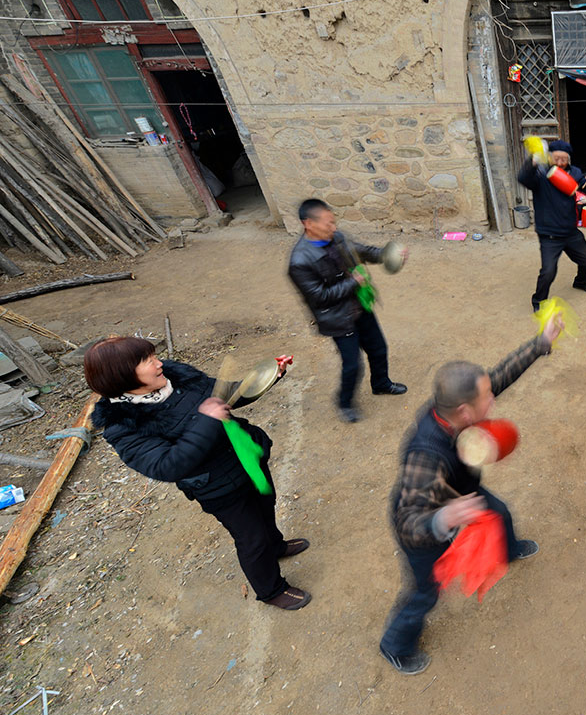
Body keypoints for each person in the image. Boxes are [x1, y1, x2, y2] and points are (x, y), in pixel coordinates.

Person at [380, 314, 565, 675]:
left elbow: (500, 375)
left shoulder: (456, 409)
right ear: (465, 411)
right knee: (425, 592)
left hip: (461, 490)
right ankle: (394, 644)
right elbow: (407, 523)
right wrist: (444, 518)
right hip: (428, 521)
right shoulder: (426, 456)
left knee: (498, 513)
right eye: (487, 398)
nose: (493, 400)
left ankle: (508, 550)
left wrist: (540, 343)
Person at [86, 337, 311, 610]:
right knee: (251, 539)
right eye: (148, 361)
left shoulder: (176, 376)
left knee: (266, 506)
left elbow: (226, 394)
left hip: (245, 458)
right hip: (217, 487)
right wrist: (208, 420)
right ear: (122, 375)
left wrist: (271, 376)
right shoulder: (122, 426)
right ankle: (271, 590)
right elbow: (167, 466)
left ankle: (276, 546)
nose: (159, 363)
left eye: (154, 356)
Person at [287, 198, 408, 424]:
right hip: (338, 319)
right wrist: (354, 281)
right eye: (327, 224)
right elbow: (320, 298)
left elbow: (359, 250)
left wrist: (386, 255)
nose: (333, 228)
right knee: (353, 365)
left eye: (333, 222)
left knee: (379, 349)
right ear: (308, 224)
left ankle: (381, 384)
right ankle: (344, 403)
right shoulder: (299, 262)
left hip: (360, 307)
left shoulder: (336, 237)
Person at [517, 139, 586, 312]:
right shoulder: (540, 173)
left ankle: (580, 282)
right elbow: (523, 178)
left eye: (564, 159)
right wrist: (533, 160)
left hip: (570, 231)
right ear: (549, 158)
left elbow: (585, 187)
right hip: (549, 235)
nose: (560, 163)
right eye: (557, 159)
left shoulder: (574, 172)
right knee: (548, 272)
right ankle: (538, 301)